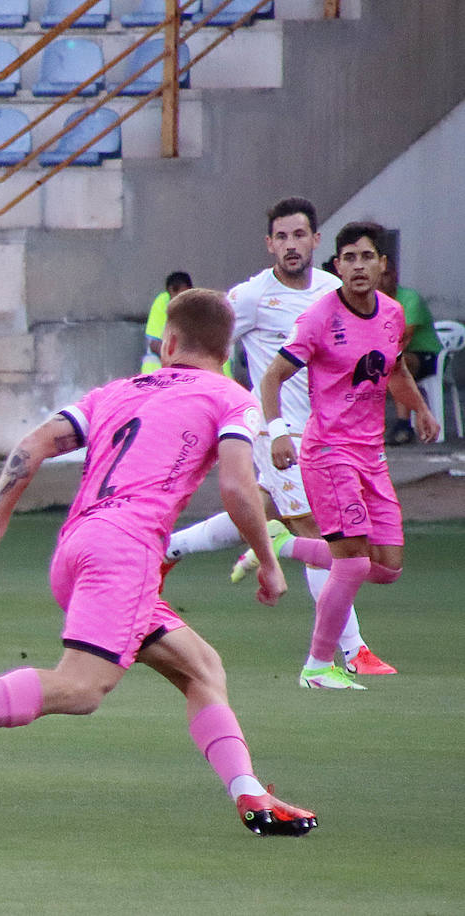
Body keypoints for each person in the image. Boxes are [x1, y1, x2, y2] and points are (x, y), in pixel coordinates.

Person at [0, 289, 317, 837]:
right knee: (83, 688)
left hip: (77, 546)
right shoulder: (231, 398)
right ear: (226, 350)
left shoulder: (118, 390)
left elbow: (34, 443)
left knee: (202, 668)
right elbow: (236, 484)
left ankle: (251, 795)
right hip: (127, 551)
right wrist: (268, 562)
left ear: (170, 342)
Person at [162, 197, 396, 676]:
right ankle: (350, 652)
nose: (291, 246)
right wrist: (216, 404)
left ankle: (168, 547)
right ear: (270, 244)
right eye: (282, 237)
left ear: (315, 241)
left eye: (300, 235)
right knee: (320, 532)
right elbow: (209, 346)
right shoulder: (249, 297)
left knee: (261, 512)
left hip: (333, 436)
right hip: (280, 435)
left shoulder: (335, 290)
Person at [260, 222, 440, 689]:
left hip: (371, 455)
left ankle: (283, 544)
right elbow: (272, 377)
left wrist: (419, 409)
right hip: (328, 451)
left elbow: (394, 367)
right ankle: (318, 666)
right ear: (336, 266)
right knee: (355, 562)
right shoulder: (320, 318)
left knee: (387, 568)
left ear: (383, 265)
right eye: (349, 259)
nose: (358, 267)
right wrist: (278, 432)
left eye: (367, 257)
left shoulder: (393, 314)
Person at [379, 255, 443, 445]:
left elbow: (403, 336)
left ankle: (403, 425)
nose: (382, 280)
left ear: (395, 276)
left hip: (428, 356)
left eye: (387, 275)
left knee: (397, 363)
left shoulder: (409, 298)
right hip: (390, 354)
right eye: (379, 275)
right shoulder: (372, 300)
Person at [140, 271, 193, 373]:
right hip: (155, 373)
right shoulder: (162, 302)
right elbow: (153, 343)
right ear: (170, 291)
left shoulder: (194, 305)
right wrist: (178, 358)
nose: (182, 300)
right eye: (179, 296)